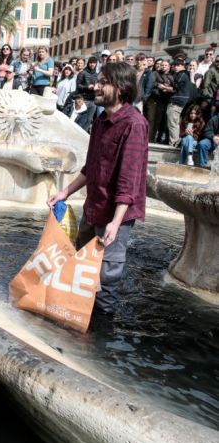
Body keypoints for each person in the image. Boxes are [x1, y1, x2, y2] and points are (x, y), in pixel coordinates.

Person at [48, 62, 148, 315]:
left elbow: (130, 178)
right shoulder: (101, 119)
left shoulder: (134, 124)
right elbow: (90, 167)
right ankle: (78, 319)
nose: (96, 86)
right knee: (80, 267)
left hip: (115, 215)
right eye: (98, 81)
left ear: (121, 87)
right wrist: (65, 192)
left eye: (104, 82)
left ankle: (100, 342)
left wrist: (115, 223)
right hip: (94, 207)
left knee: (105, 282)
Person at [164, 59, 194, 146]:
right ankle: (175, 142)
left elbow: (175, 88)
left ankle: (173, 143)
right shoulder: (186, 74)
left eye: (178, 65)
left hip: (176, 102)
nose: (176, 67)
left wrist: (165, 87)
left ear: (182, 66)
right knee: (175, 123)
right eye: (174, 65)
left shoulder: (181, 74)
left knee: (173, 123)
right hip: (181, 101)